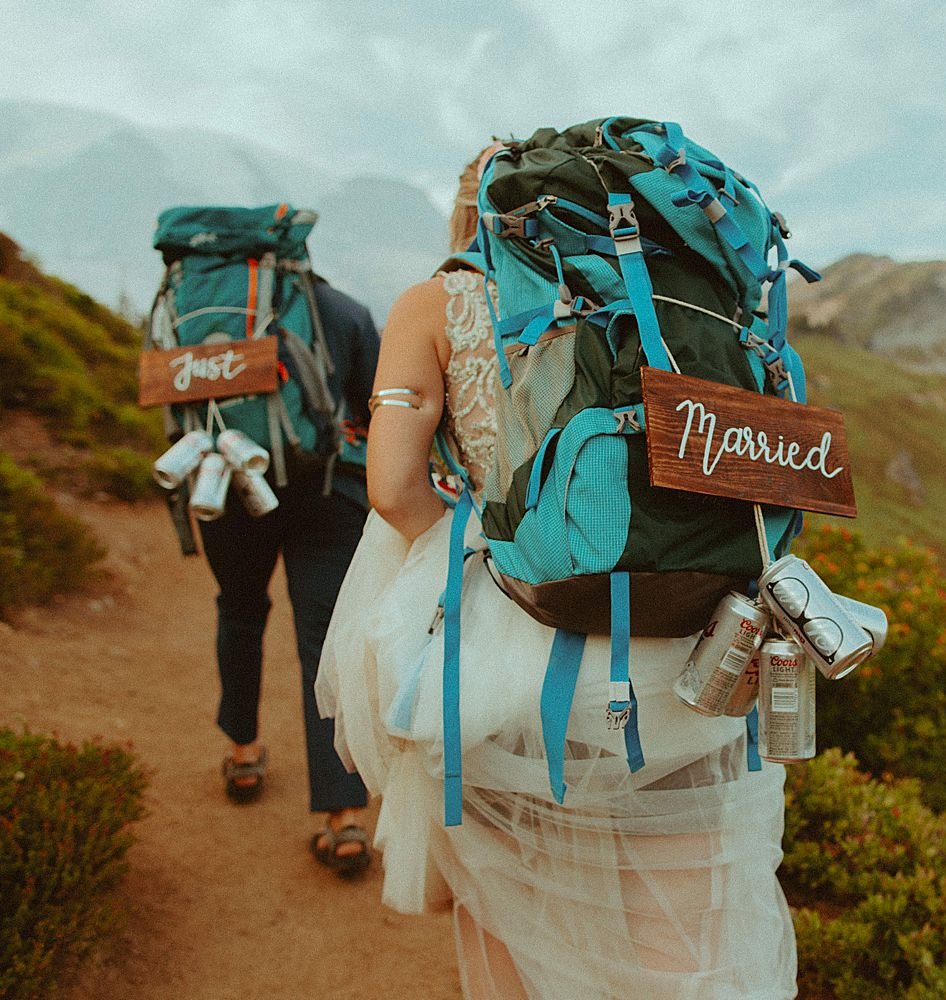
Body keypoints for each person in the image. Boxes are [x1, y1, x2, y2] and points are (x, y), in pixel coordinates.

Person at [316, 147, 797, 997]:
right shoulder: (682, 293)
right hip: (684, 648)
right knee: (680, 930)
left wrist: (492, 549)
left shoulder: (433, 303)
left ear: (474, 213)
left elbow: (392, 490)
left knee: (508, 908)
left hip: (514, 656)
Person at [202, 273, 380, 877]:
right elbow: (377, 407)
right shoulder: (345, 310)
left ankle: (242, 751)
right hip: (327, 490)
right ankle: (345, 818)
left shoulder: (199, 310)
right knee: (324, 642)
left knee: (241, 608)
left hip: (229, 482)